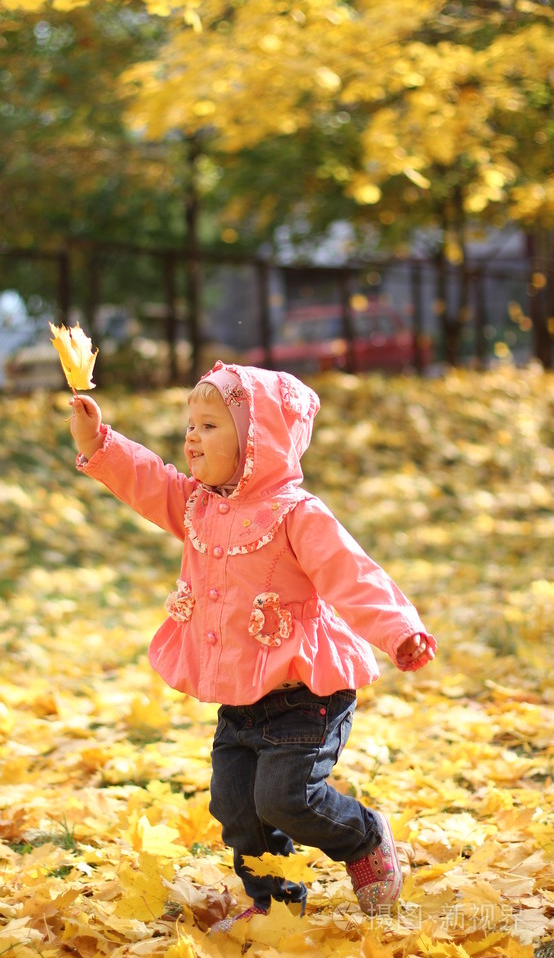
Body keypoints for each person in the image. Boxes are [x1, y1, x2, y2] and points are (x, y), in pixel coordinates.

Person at [68, 361, 436, 927]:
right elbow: (148, 482)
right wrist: (99, 442)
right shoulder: (196, 504)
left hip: (304, 692)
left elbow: (352, 575)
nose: (192, 436)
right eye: (190, 424)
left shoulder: (297, 515)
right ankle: (275, 909)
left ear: (258, 440)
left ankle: (363, 838)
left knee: (289, 799)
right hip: (240, 696)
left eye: (211, 426)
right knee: (238, 810)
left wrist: (398, 630)